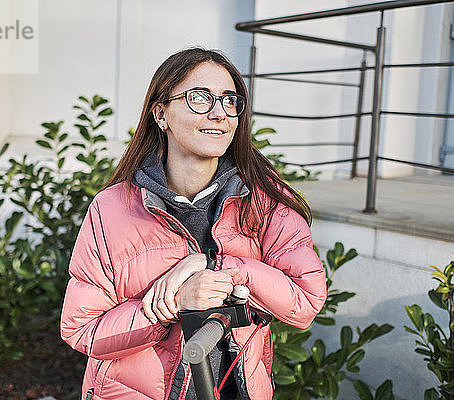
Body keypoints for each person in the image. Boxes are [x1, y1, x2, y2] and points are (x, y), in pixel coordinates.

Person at [60, 47, 327, 400]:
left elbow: (306, 300)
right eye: (200, 98)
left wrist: (214, 265)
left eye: (230, 100)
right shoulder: (112, 209)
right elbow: (82, 329)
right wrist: (172, 304)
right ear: (161, 113)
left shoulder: (265, 200)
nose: (220, 113)